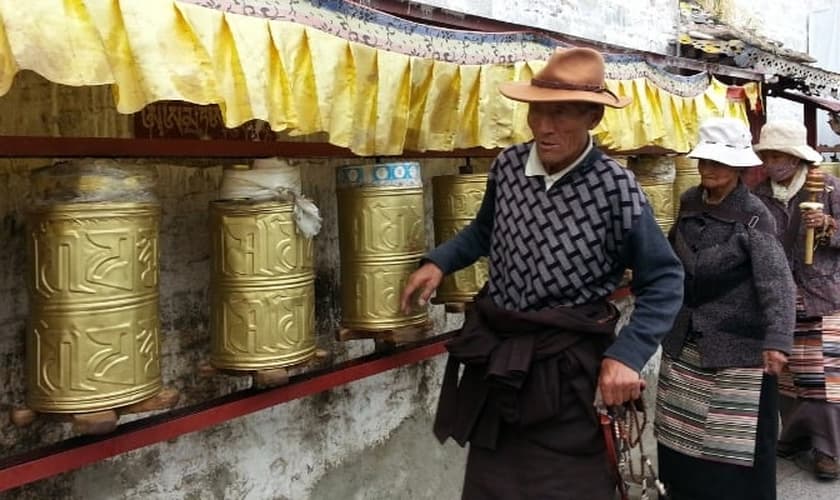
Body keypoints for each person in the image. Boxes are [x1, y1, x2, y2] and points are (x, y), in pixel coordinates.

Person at [399, 47, 684, 500]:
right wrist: (440, 261)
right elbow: (485, 230)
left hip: (567, 368)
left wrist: (627, 354)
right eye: (537, 113)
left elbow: (665, 278)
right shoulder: (509, 166)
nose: (544, 127)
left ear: (593, 117)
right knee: (492, 487)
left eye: (562, 114)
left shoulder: (616, 187)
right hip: (502, 361)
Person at [654, 117, 796, 500]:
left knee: (732, 452)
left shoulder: (754, 215)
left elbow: (776, 281)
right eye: (705, 160)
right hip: (684, 342)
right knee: (678, 440)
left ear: (738, 167)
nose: (708, 169)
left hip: (736, 347)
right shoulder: (688, 202)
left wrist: (777, 339)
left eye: (719, 162)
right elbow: (671, 258)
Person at [752, 120, 840, 481]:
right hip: (779, 296)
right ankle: (793, 437)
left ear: (794, 156)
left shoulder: (829, 186)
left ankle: (828, 450)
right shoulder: (759, 194)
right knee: (786, 374)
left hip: (822, 292)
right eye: (767, 155)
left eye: (778, 155)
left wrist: (830, 225)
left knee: (823, 377)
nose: (772, 162)